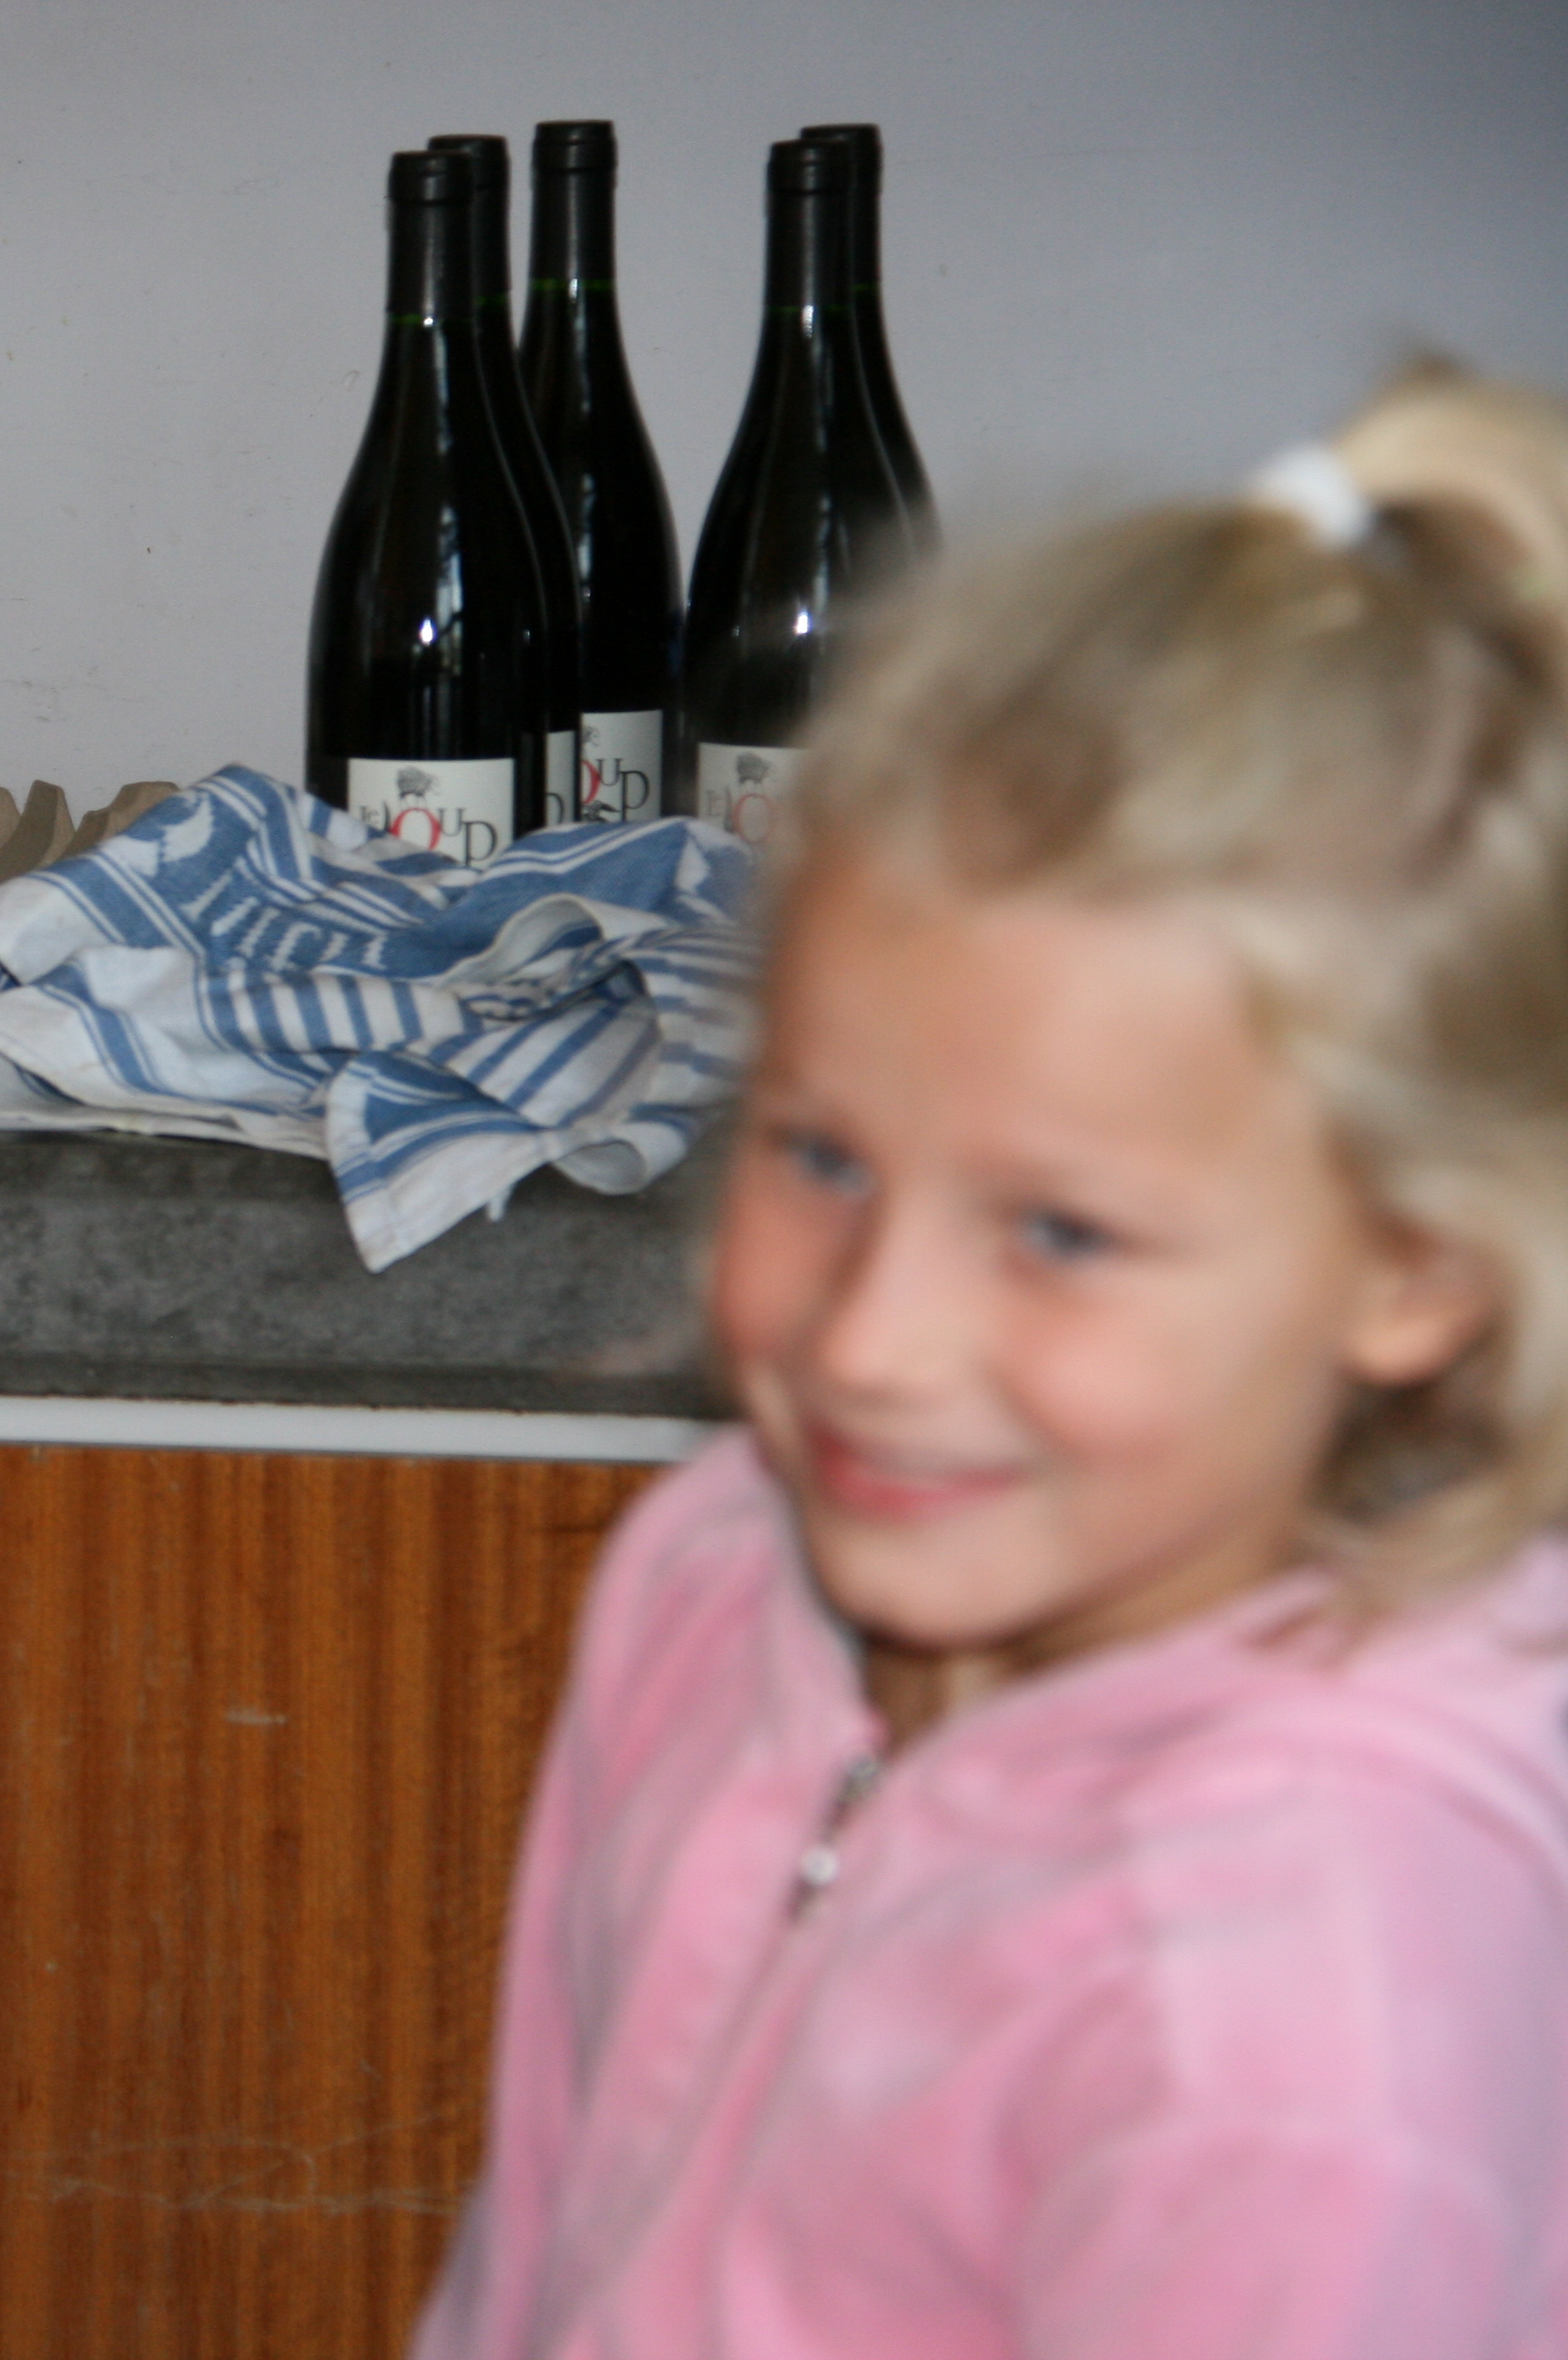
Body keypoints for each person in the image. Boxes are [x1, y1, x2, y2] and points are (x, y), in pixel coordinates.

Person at [414, 364, 1568, 2360]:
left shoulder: (1290, 2013)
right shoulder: (720, 1572)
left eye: (1061, 1233)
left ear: (1419, 1267)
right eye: (820, 1156)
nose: (869, 1340)